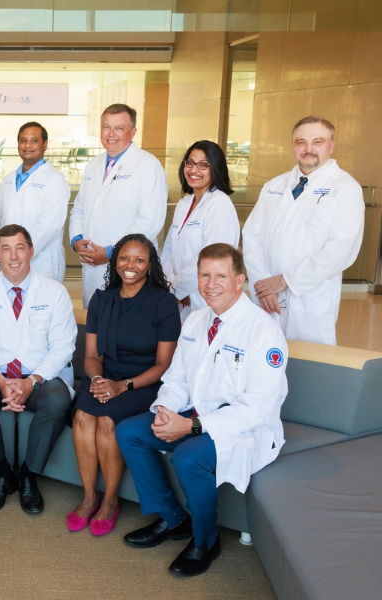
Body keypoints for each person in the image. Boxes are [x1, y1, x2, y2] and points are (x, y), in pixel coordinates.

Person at [116, 243, 288, 577]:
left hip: (243, 429)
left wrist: (192, 427)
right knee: (130, 431)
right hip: (193, 414)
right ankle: (172, 518)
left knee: (189, 456)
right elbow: (178, 376)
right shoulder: (196, 320)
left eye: (220, 276)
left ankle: (206, 540)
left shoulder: (264, 332)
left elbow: (257, 408)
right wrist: (165, 408)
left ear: (240, 280)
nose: (211, 284)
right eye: (204, 275)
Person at [0, 224, 76, 514]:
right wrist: (0, 381)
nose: (13, 256)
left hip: (40, 376)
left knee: (58, 399)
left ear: (31, 251)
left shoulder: (55, 292)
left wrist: (32, 381)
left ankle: (28, 474)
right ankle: (1, 472)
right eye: (6, 249)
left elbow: (63, 346)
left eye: (20, 248)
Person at [69, 234, 180, 537]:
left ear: (149, 265)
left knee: (106, 421)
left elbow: (163, 365)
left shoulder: (164, 303)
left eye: (139, 260)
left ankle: (110, 500)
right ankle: (89, 495)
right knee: (81, 416)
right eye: (124, 258)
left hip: (143, 383)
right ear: (115, 260)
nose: (130, 265)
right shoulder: (102, 300)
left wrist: (122, 386)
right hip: (104, 378)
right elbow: (92, 356)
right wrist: (97, 380)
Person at [242, 115, 364, 345]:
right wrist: (264, 285)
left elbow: (341, 250)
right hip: (267, 298)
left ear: (331, 145)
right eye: (301, 142)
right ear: (292, 147)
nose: (308, 149)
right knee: (263, 362)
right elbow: (251, 235)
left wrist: (286, 281)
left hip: (310, 302)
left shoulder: (346, 189)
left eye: (317, 142)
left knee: (310, 367)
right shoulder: (274, 187)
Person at [69, 103, 168, 308]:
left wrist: (111, 253)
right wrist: (77, 240)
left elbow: (150, 220)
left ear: (133, 132)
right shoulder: (94, 164)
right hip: (91, 262)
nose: (111, 134)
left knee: (124, 325)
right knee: (95, 323)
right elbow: (80, 208)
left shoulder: (148, 165)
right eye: (106, 127)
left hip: (127, 267)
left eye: (119, 128)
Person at [161, 141, 240, 320]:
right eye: (189, 163)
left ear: (216, 169)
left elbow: (212, 259)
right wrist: (169, 286)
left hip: (204, 297)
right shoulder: (184, 204)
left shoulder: (219, 204)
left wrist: (177, 289)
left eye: (203, 165)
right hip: (178, 297)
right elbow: (169, 251)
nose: (193, 170)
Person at [0, 121, 70, 282]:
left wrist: (19, 254)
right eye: (23, 140)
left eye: (34, 140)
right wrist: (2, 253)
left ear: (45, 144)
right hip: (9, 263)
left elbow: (49, 225)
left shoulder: (55, 180)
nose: (28, 145)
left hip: (42, 263)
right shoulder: (8, 179)